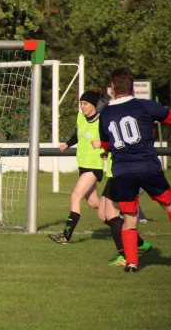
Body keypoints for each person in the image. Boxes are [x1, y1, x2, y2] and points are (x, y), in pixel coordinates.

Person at [99, 67, 171, 272]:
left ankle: (132, 263)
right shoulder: (144, 106)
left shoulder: (105, 113)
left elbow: (106, 145)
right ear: (132, 87)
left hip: (122, 171)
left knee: (130, 216)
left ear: (113, 88)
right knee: (170, 205)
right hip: (147, 166)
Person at [49, 91, 104, 244]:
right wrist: (67, 144)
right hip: (83, 165)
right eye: (80, 103)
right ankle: (119, 217)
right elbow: (77, 134)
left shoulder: (102, 121)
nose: (82, 107)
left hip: (94, 166)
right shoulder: (80, 117)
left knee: (75, 196)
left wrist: (102, 144)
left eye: (85, 103)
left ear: (93, 105)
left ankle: (65, 236)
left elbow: (111, 138)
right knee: (93, 203)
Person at [97, 152, 151, 266]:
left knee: (112, 216)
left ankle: (125, 256)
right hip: (113, 174)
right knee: (102, 214)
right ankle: (140, 244)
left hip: (120, 173)